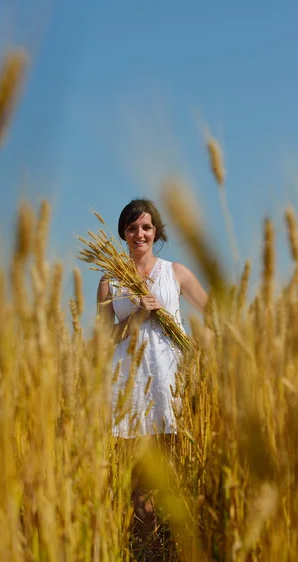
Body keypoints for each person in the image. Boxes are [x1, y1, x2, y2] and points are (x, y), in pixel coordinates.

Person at [97, 198, 208, 533]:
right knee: (139, 478)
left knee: (174, 470)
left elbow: (215, 314)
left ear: (156, 231)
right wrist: (140, 315)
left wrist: (202, 350)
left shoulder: (175, 273)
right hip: (131, 389)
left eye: (146, 227)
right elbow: (104, 340)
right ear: (123, 234)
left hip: (169, 384)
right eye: (132, 228)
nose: (139, 234)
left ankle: (177, 548)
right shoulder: (109, 282)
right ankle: (148, 551)